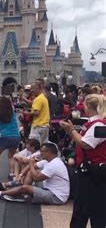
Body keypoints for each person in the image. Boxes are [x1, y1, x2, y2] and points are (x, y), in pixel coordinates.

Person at [59, 94, 106, 227]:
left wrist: (71, 131)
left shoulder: (98, 124)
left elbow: (86, 144)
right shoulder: (97, 122)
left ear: (87, 106)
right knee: (97, 210)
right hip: (95, 171)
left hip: (92, 172)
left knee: (83, 210)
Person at [0, 142, 69, 205]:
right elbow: (30, 168)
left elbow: (36, 177)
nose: (40, 153)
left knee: (26, 187)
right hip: (47, 187)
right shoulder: (47, 161)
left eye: (42, 151)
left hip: (56, 196)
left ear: (49, 153)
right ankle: (14, 190)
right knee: (29, 173)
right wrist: (21, 175)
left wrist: (31, 163)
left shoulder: (54, 164)